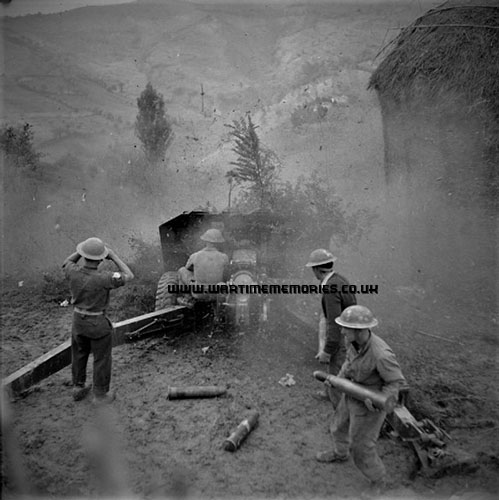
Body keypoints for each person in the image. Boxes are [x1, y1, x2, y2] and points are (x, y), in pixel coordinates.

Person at [315, 305, 407, 494]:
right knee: (338, 425)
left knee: (361, 446)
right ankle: (340, 453)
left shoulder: (381, 354)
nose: (341, 331)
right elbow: (349, 364)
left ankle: (378, 479)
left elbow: (396, 383)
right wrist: (337, 381)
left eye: (345, 328)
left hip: (370, 404)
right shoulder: (354, 344)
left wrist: (378, 401)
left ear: (358, 330)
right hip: (351, 393)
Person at [62, 237, 134, 404]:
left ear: (83, 255)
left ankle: (78, 388)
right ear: (102, 259)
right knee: (101, 358)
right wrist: (113, 255)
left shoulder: (73, 271)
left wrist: (81, 251)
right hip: (97, 323)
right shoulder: (105, 277)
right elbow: (129, 275)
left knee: (79, 353)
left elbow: (66, 262)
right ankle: (100, 395)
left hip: (78, 320)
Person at [305, 248, 356, 405]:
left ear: (316, 270)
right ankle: (329, 393)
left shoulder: (330, 289)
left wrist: (327, 350)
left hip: (343, 334)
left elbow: (334, 323)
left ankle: (339, 408)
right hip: (350, 330)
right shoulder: (339, 280)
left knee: (337, 370)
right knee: (334, 367)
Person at [178, 228, 229, 299]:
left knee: (182, 270)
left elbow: (188, 269)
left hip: (199, 293)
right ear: (218, 243)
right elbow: (227, 274)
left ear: (205, 241)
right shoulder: (224, 257)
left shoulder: (195, 256)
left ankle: (187, 298)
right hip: (216, 293)